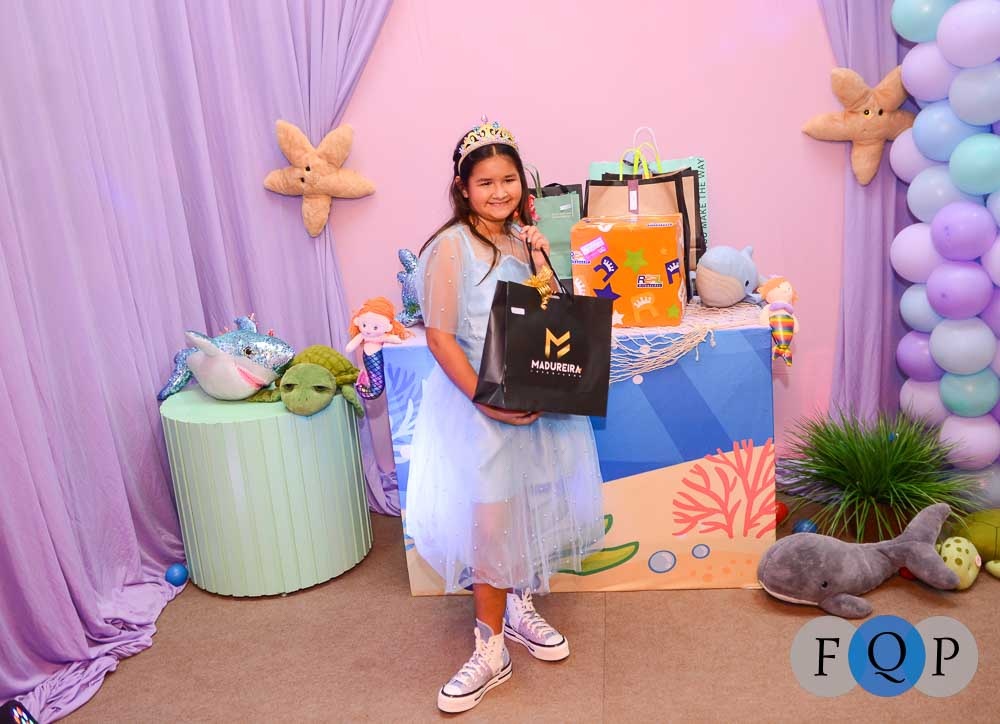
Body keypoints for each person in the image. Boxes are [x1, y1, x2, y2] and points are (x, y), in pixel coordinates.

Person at [404, 119, 605, 713]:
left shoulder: (521, 240)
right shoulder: (451, 247)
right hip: (480, 406)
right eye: (486, 182)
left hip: (527, 404)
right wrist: (485, 399)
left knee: (524, 507)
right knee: (490, 523)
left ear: (524, 182)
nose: (499, 192)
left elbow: (549, 320)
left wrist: (542, 256)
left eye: (509, 179)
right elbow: (440, 337)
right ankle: (488, 648)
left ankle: (517, 605)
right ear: (463, 187)